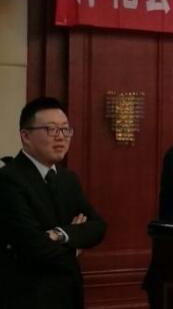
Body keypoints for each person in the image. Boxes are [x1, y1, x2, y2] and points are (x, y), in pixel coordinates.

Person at [0, 97, 107, 309]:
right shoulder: (8, 179)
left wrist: (60, 235)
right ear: (26, 136)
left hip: (69, 294)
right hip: (28, 297)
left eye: (65, 129)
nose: (61, 137)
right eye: (50, 129)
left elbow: (98, 227)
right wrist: (74, 245)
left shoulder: (68, 179)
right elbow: (34, 247)